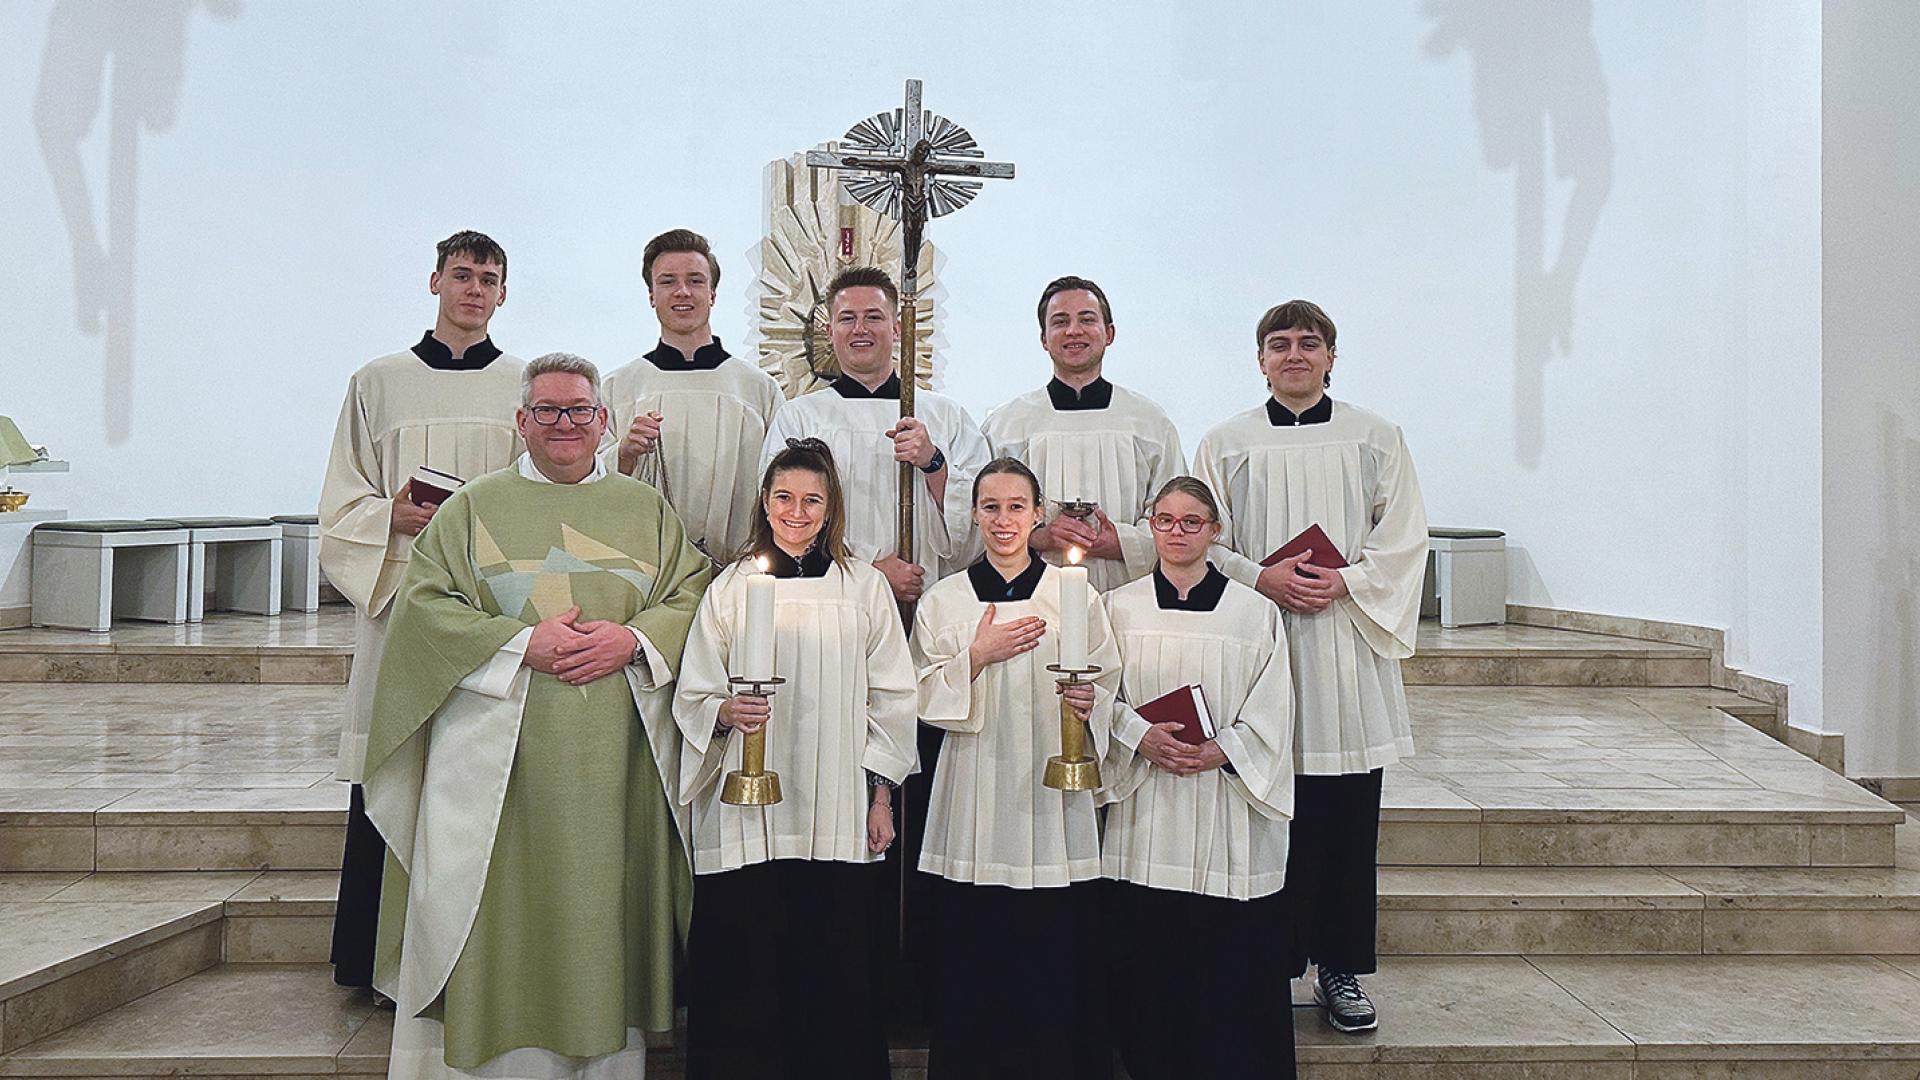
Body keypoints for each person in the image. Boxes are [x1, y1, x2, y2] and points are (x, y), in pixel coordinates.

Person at [361, 353, 712, 1080]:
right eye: (547, 410)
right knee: (501, 911)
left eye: (580, 410)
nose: (565, 424)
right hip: (500, 761)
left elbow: (691, 596)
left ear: (602, 420)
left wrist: (633, 638)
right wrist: (522, 642)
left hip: (619, 757)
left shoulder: (646, 510)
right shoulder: (472, 507)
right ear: (520, 421)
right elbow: (424, 608)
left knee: (605, 910)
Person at [1191, 300, 1428, 1034]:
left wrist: (1348, 581)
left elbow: (1405, 532)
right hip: (1261, 646)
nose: (1295, 354)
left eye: (1310, 343)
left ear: (1332, 356)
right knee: (1262, 806)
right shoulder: (1226, 441)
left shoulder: (1374, 436)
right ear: (1259, 359)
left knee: (1346, 817)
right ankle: (1263, 960)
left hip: (1345, 649)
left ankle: (1339, 966)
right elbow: (1200, 534)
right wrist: (1260, 578)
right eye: (1279, 343)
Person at [317, 230, 524, 992]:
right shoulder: (378, 382)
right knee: (396, 763)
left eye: (489, 279)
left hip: (494, 612)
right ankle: (377, 960)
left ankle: (473, 958)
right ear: (434, 281)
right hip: (403, 605)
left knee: (484, 769)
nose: (474, 289)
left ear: (504, 294)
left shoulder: (526, 386)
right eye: (462, 275)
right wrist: (389, 520)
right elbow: (341, 502)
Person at [674, 438, 917, 1079]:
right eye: (784, 496)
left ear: (832, 505)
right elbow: (695, 689)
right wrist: (723, 712)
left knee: (835, 971)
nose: (797, 511)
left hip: (837, 808)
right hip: (747, 813)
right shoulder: (730, 588)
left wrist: (881, 795)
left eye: (812, 499)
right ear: (764, 501)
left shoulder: (863, 587)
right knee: (745, 968)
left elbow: (893, 696)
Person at [910, 457, 1120, 1079]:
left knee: (1051, 948)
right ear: (974, 514)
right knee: (975, 950)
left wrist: (1093, 701)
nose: (1004, 521)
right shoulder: (944, 599)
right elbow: (916, 694)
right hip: (974, 786)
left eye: (1016, 507)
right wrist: (976, 656)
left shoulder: (1073, 594)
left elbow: (1107, 677)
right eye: (991, 507)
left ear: (1038, 514)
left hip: (1051, 791)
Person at [1099, 476, 1295, 1079]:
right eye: (1164, 520)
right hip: (1147, 808)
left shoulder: (1254, 610)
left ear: (1215, 530)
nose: (1176, 532)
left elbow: (1276, 708)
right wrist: (1138, 736)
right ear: (1150, 526)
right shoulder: (1118, 607)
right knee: (1150, 964)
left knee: (1227, 971)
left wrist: (1222, 750)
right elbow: (1098, 693)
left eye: (1191, 522)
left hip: (1226, 808)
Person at [760, 266, 991, 604]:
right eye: (847, 318)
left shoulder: (945, 416)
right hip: (828, 596)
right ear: (830, 330)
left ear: (898, 328)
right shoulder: (799, 418)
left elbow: (983, 517)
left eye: (874, 317)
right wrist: (869, 570)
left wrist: (934, 463)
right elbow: (779, 518)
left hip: (925, 598)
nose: (860, 329)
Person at [981, 275, 1185, 591]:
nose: (1073, 331)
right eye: (1060, 322)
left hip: (1130, 595)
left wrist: (1121, 542)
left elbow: (1177, 514)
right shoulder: (1008, 425)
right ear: (1044, 338)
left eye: (1086, 320)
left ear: (1109, 333)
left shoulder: (1149, 422)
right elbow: (983, 515)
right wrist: (1038, 537)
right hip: (1033, 597)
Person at [602, 228, 785, 560]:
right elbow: (585, 481)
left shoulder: (758, 389)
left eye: (695, 281)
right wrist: (624, 454)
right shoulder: (619, 387)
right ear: (651, 295)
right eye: (668, 281)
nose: (682, 292)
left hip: (740, 570)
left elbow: (783, 483)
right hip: (644, 569)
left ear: (712, 293)